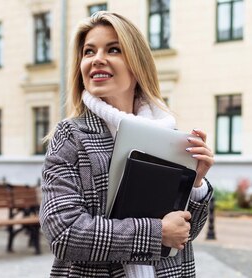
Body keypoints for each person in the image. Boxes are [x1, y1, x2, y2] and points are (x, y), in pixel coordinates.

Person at [39, 11, 214, 278]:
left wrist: (197, 183)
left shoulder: (168, 134)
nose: (97, 59)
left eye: (113, 49)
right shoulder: (71, 136)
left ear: (137, 64)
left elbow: (183, 237)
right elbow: (63, 233)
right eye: (88, 52)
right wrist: (156, 233)